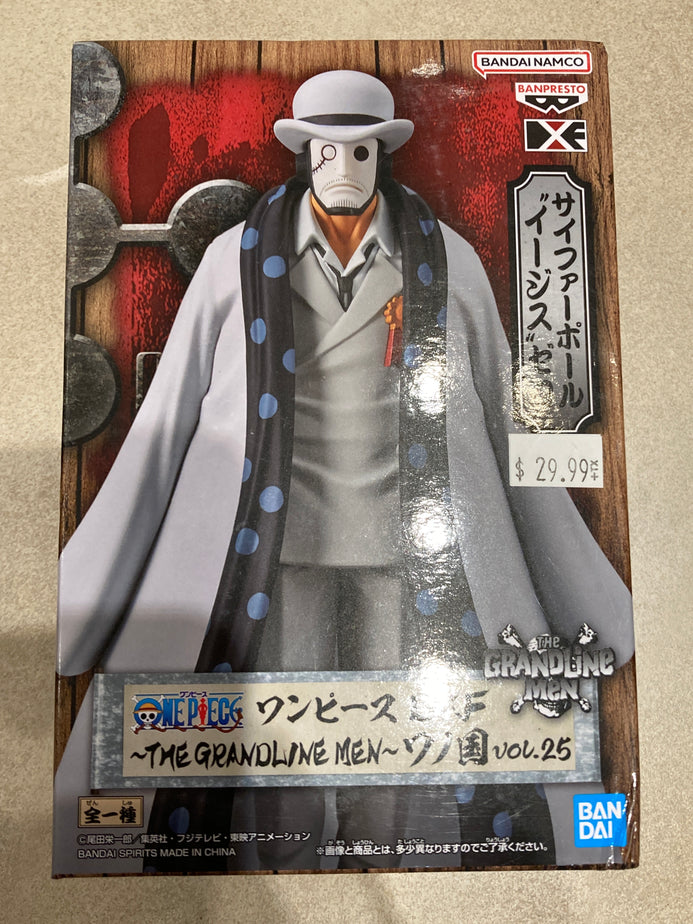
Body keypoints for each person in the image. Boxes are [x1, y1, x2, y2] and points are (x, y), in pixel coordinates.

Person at [54, 70, 634, 874]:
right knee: (279, 737)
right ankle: (282, 874)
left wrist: (575, 587)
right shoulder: (232, 261)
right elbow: (165, 423)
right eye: (327, 150)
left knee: (403, 736)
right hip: (272, 541)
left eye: (359, 151)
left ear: (380, 156)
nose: (343, 167)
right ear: (304, 155)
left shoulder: (445, 259)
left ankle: (402, 868)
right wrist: (86, 594)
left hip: (410, 542)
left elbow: (506, 415)